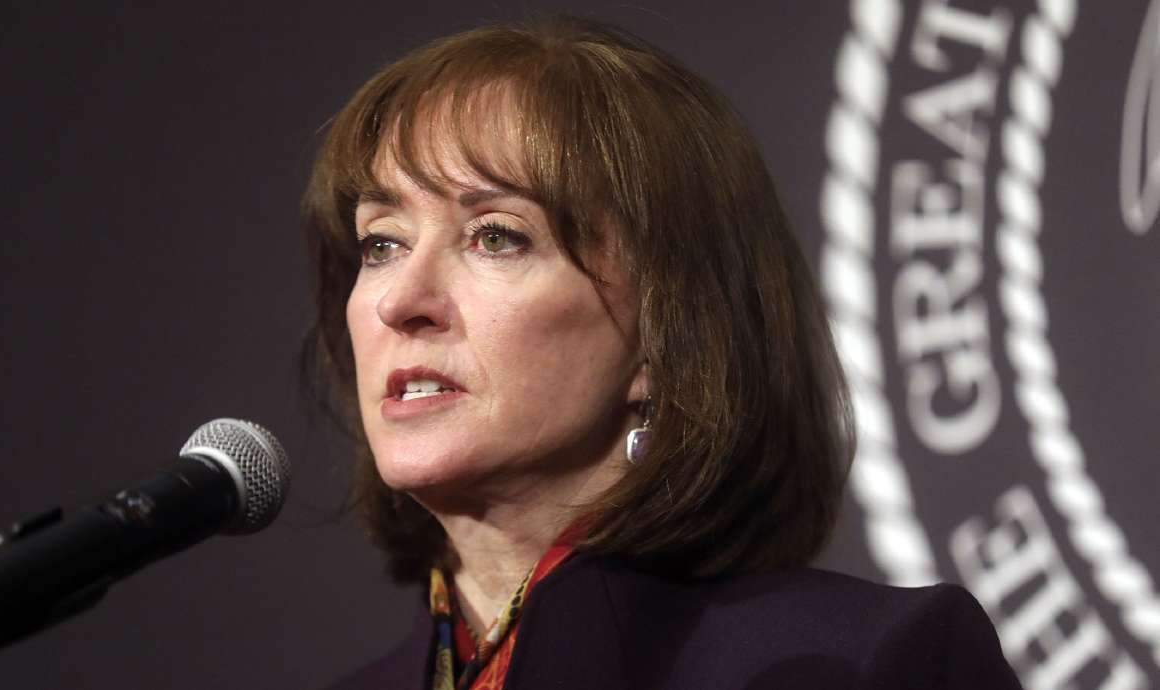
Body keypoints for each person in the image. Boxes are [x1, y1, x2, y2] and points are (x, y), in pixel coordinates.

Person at [301, 16, 1022, 690]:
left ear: (665, 334)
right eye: (382, 244)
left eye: (496, 235)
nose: (401, 300)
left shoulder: (866, 663)